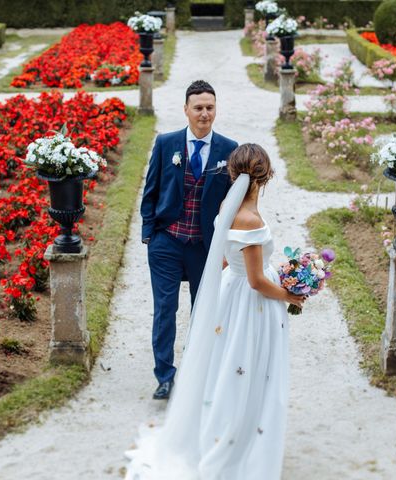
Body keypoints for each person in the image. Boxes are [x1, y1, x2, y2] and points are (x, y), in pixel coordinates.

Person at [126, 144, 305, 479]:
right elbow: (254, 282)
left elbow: (226, 259)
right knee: (248, 370)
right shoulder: (250, 218)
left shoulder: (227, 206)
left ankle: (220, 430)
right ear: (264, 178)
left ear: (233, 174)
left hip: (228, 293)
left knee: (224, 367)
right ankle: (240, 444)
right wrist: (288, 295)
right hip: (249, 305)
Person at [141, 80, 238, 400]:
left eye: (210, 107)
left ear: (216, 109)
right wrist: (149, 236)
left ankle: (198, 373)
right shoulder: (166, 143)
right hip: (167, 241)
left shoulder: (229, 149)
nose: (204, 113)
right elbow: (151, 191)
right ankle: (165, 376)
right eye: (198, 107)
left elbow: (235, 202)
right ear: (186, 110)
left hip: (205, 248)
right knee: (165, 310)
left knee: (204, 311)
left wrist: (227, 247)